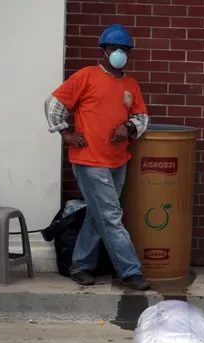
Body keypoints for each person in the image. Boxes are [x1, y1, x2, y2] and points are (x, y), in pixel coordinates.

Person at [44, 24, 150, 291]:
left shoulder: (131, 85)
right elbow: (54, 104)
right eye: (114, 48)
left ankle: (79, 265)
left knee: (97, 215)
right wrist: (65, 133)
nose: (119, 53)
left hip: (118, 160)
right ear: (104, 51)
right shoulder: (87, 76)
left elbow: (142, 117)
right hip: (90, 161)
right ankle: (131, 271)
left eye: (124, 49)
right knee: (112, 215)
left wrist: (127, 127)